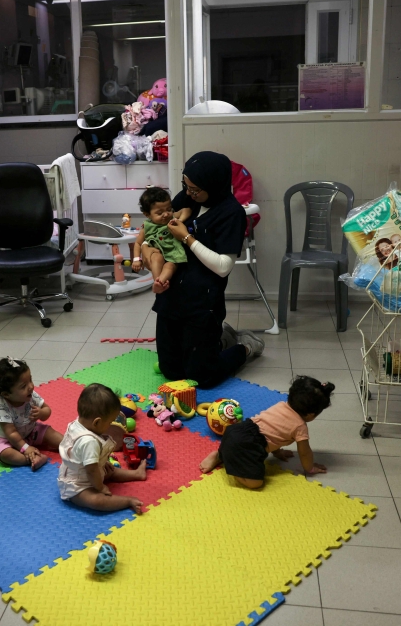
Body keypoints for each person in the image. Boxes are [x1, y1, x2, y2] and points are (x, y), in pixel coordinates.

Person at [155, 151, 264, 389]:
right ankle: (220, 338)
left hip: (202, 303)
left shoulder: (231, 212)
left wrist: (187, 238)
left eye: (195, 189)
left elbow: (224, 267)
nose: (189, 193)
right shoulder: (188, 198)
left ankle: (246, 346)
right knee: (170, 370)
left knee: (201, 378)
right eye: (186, 186)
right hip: (172, 296)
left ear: (213, 185)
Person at [200, 376, 334, 488]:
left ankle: (220, 455)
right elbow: (305, 453)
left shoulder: (281, 405)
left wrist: (278, 451)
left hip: (237, 430)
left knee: (236, 446)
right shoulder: (300, 428)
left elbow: (271, 431)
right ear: (311, 415)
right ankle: (233, 468)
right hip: (247, 445)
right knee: (256, 483)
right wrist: (310, 468)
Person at [58, 384, 147, 513]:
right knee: (97, 501)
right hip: (76, 485)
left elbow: (89, 462)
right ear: (97, 422)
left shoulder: (78, 423)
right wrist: (100, 487)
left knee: (110, 470)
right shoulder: (88, 441)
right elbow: (92, 471)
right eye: (110, 422)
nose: (110, 426)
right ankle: (127, 501)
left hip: (87, 469)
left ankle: (136, 474)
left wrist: (103, 463)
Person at [0, 357, 62, 470]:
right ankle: (31, 459)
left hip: (31, 431)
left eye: (30, 380)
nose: (31, 386)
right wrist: (26, 448)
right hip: (7, 440)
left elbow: (47, 410)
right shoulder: (3, 408)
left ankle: (71, 445)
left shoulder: (31, 394)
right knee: (6, 454)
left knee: (49, 432)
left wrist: (41, 413)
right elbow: (12, 434)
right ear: (6, 394)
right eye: (23, 386)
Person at [131, 187, 191, 293]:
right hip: (156, 253)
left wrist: (179, 220)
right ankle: (157, 281)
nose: (166, 214)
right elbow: (138, 243)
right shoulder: (147, 227)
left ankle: (161, 282)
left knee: (170, 266)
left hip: (173, 252)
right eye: (159, 213)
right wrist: (136, 259)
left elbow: (187, 210)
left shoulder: (172, 218)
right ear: (147, 214)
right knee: (156, 257)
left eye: (168, 209)